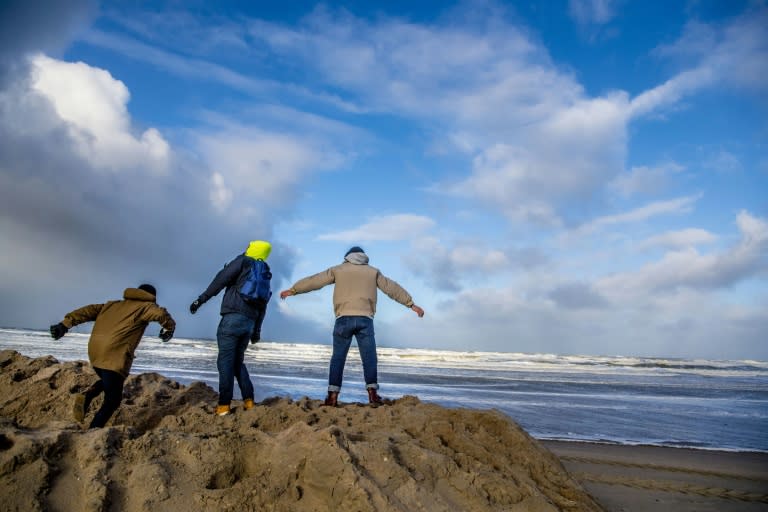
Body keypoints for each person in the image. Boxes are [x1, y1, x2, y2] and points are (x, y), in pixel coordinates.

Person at [280, 246, 424, 406]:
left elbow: (315, 281)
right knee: (369, 358)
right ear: (364, 257)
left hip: (343, 319)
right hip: (365, 320)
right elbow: (392, 288)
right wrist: (411, 304)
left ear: (347, 257)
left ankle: (332, 397)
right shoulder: (373, 272)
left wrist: (294, 290)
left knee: (338, 358)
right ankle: (373, 395)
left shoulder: (338, 270)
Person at [49, 284, 176, 428]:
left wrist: (64, 325)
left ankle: (88, 395)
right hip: (115, 354)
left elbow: (87, 311)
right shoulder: (145, 307)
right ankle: (94, 429)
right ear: (151, 297)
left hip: (95, 353)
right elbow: (161, 314)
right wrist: (170, 328)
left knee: (111, 381)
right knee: (113, 400)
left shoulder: (112, 305)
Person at [189, 240, 272, 416]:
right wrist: (256, 331)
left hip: (232, 318)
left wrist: (201, 300)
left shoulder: (243, 262)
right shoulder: (264, 272)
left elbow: (220, 281)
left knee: (225, 362)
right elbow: (263, 305)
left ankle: (224, 405)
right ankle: (249, 400)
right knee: (237, 362)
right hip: (249, 323)